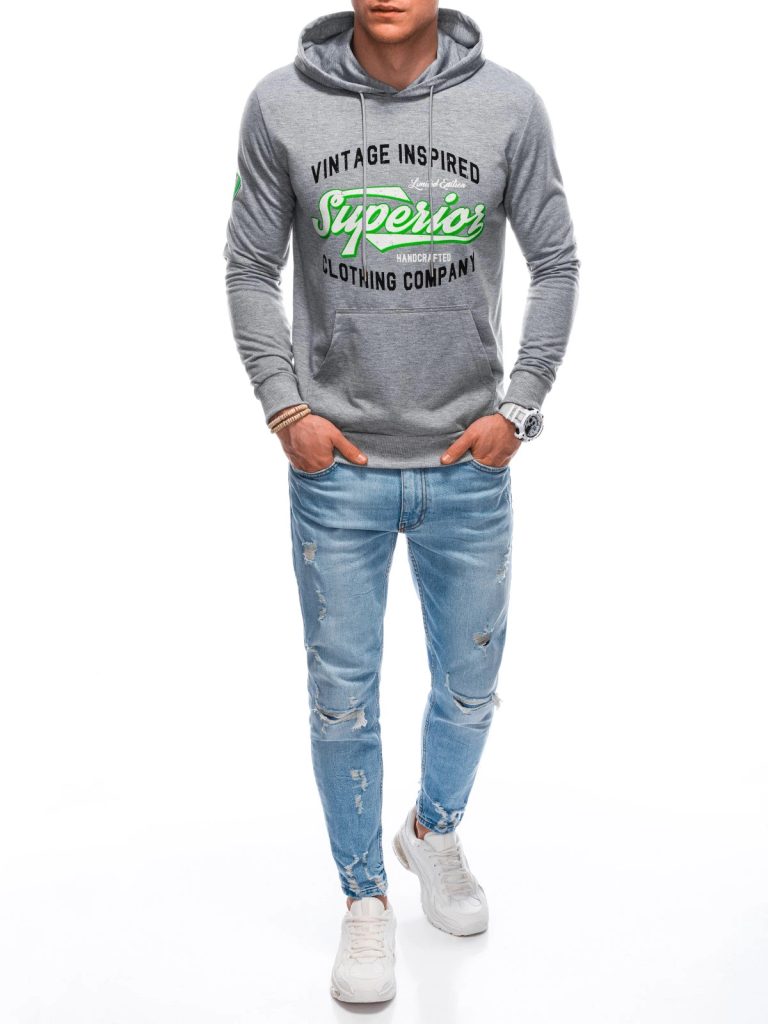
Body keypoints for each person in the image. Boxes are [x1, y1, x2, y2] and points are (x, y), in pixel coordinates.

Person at [223, 0, 579, 1004]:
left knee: (470, 688)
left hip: (469, 460)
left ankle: (430, 830)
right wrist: (284, 406)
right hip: (336, 467)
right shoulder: (281, 105)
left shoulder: (507, 106)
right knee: (342, 698)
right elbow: (249, 265)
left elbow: (556, 261)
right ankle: (364, 897)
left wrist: (519, 408)